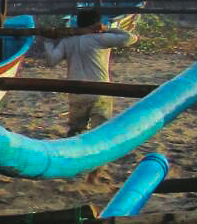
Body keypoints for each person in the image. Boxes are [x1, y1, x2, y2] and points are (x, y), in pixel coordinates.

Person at [43, 10, 137, 181]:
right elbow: (130, 38)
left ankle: (71, 170)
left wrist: (48, 40)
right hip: (100, 92)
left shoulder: (68, 41)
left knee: (75, 133)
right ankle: (94, 174)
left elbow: (51, 60)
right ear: (96, 24)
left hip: (77, 94)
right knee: (101, 134)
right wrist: (107, 29)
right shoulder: (100, 38)